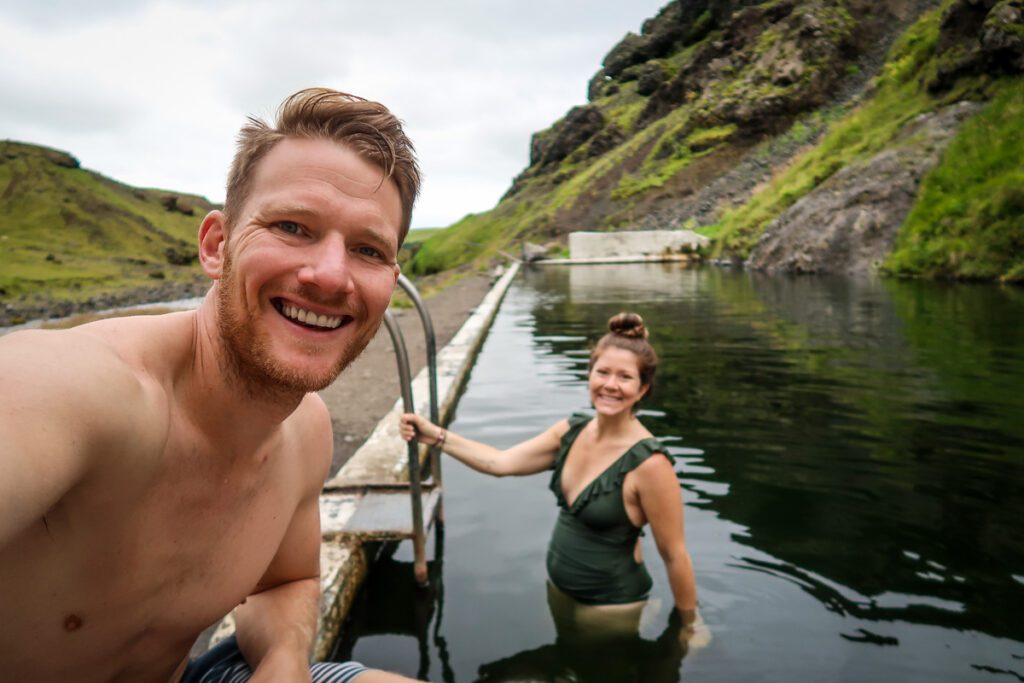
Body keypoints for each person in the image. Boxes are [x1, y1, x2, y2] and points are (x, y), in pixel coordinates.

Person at [0, 88, 424, 683]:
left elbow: (288, 580)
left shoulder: (306, 431)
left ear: (390, 278)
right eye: (292, 226)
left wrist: (282, 661)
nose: (330, 276)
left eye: (367, 249)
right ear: (217, 246)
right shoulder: (73, 392)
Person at [400, 312, 707, 649]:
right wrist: (436, 436)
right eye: (602, 372)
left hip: (609, 605)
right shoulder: (570, 432)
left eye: (625, 377)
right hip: (559, 590)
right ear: (589, 374)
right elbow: (499, 463)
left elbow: (674, 554)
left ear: (643, 388)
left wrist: (689, 625)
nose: (610, 385)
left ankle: (648, 616)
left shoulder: (650, 463)